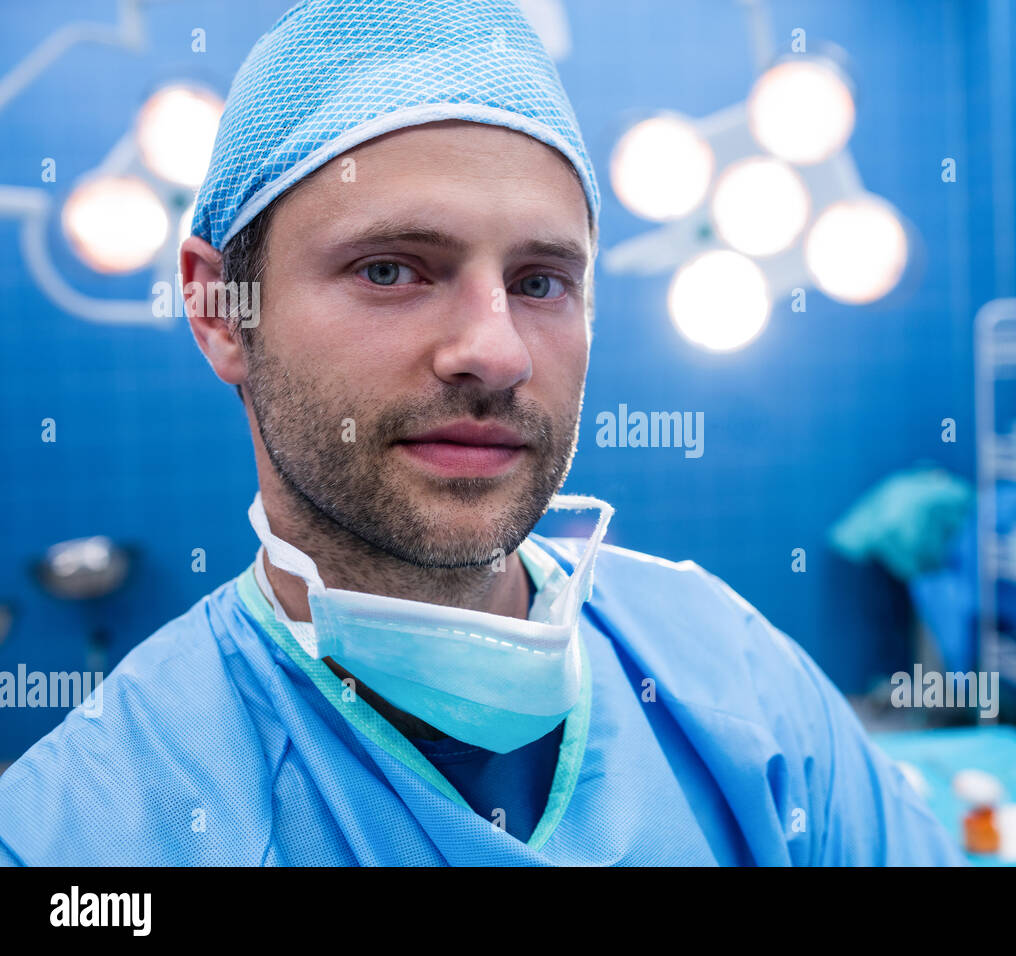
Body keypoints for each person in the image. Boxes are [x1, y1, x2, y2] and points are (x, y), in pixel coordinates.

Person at [0, 0, 964, 866]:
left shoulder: (733, 682)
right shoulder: (89, 829)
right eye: (391, 269)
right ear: (219, 310)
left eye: (541, 282)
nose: (495, 352)